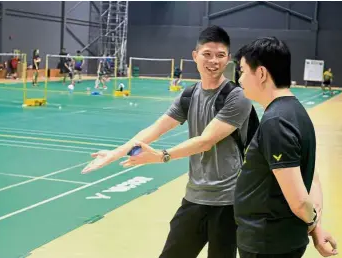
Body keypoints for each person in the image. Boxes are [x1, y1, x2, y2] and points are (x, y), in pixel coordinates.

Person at [82, 25, 255, 258]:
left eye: (220, 55)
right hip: (194, 198)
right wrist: (116, 153)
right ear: (195, 56)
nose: (213, 60)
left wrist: (161, 156)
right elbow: (156, 128)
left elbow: (205, 141)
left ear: (228, 59)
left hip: (228, 203)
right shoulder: (188, 95)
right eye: (207, 54)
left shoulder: (237, 97)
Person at [233, 37, 338, 258]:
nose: (240, 79)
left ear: (261, 74)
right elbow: (311, 176)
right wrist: (315, 227)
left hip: (267, 244)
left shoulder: (276, 121)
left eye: (242, 71)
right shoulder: (295, 111)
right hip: (279, 241)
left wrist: (313, 224)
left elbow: (299, 201)